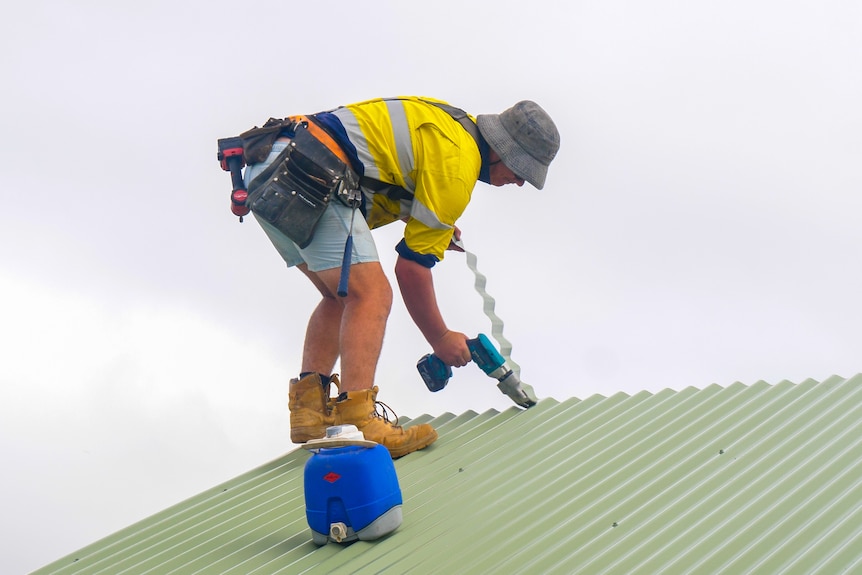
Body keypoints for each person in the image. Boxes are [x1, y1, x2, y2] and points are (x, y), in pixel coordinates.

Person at [241, 96, 560, 458]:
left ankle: (309, 413)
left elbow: (385, 170)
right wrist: (440, 337)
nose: (518, 182)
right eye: (521, 171)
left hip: (269, 166)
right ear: (504, 152)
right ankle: (358, 419)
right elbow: (411, 270)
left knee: (339, 297)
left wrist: (429, 226)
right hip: (312, 172)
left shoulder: (453, 127)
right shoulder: (458, 167)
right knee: (372, 295)